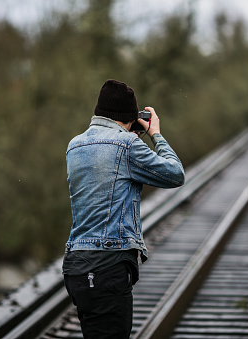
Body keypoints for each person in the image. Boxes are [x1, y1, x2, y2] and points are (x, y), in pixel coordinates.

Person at [62, 79, 185, 338]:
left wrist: (129, 136)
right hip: (108, 267)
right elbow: (175, 174)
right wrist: (155, 135)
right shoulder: (127, 146)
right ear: (131, 117)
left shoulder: (74, 145)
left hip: (76, 267)